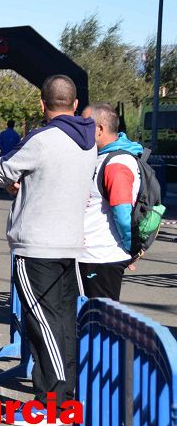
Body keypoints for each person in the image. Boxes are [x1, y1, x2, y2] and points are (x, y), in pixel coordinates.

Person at [0, 75, 96, 426]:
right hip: (69, 243)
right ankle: (65, 397)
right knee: (62, 321)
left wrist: (16, 183)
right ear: (75, 104)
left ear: (41, 103)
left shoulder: (42, 139)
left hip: (36, 244)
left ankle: (50, 403)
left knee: (40, 324)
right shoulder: (89, 141)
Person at [78, 103, 142, 300]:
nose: (80, 130)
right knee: (88, 321)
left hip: (101, 258)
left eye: (84, 125)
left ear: (100, 129)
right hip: (91, 256)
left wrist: (132, 249)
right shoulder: (102, 157)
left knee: (100, 323)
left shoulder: (116, 163)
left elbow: (123, 213)